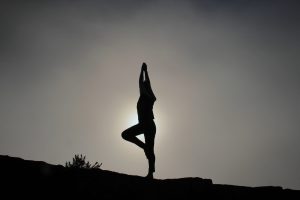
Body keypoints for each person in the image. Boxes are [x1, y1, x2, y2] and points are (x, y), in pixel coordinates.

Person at [121, 62, 157, 179]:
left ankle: (144, 148)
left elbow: (141, 83)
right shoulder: (151, 97)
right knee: (150, 149)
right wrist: (146, 72)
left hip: (145, 124)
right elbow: (148, 84)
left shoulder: (145, 95)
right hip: (151, 125)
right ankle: (151, 173)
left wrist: (142, 71)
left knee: (125, 134)